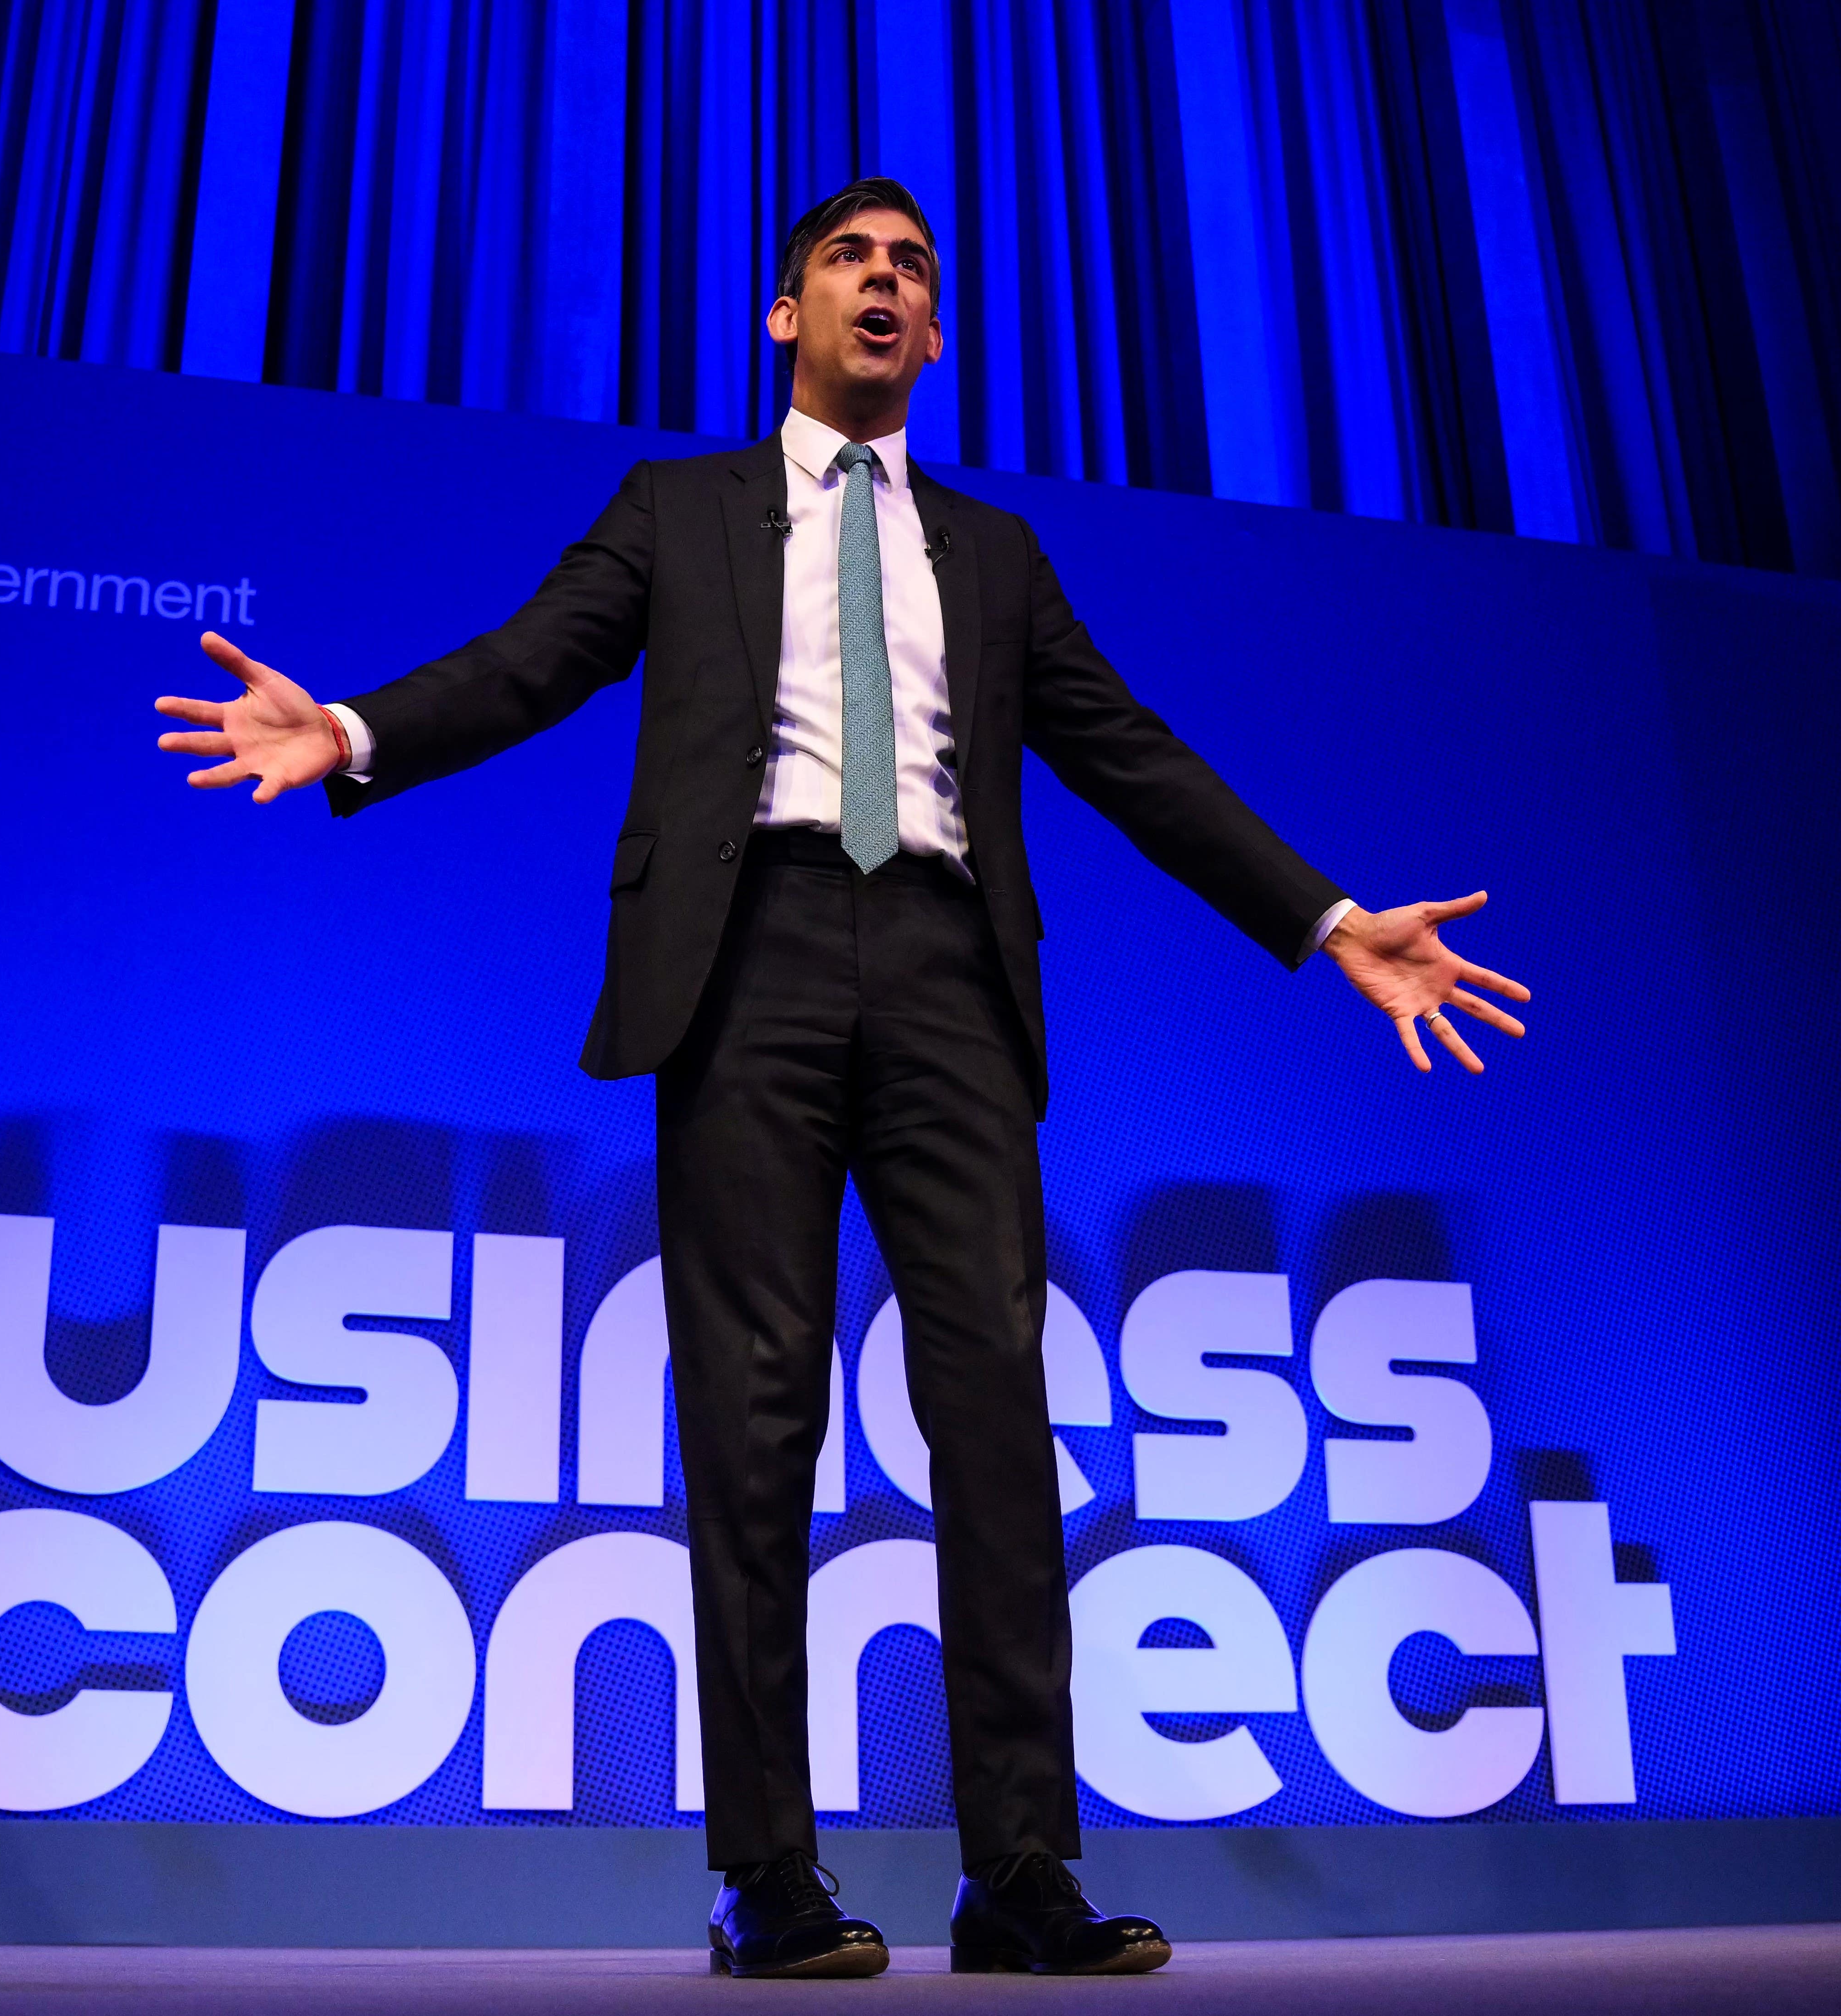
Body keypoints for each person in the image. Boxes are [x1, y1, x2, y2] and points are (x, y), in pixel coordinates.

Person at [153, 176, 1527, 1978]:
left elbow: (1135, 758)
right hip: (753, 959)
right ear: (785, 317)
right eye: (849, 264)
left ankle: (1019, 1876)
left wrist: (1326, 916)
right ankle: (767, 1878)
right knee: (754, 1421)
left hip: (954, 972)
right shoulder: (682, 511)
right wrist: (348, 734)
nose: (884, 285)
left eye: (913, 272)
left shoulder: (999, 555)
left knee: (997, 1421)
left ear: (934, 336)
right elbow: (531, 664)